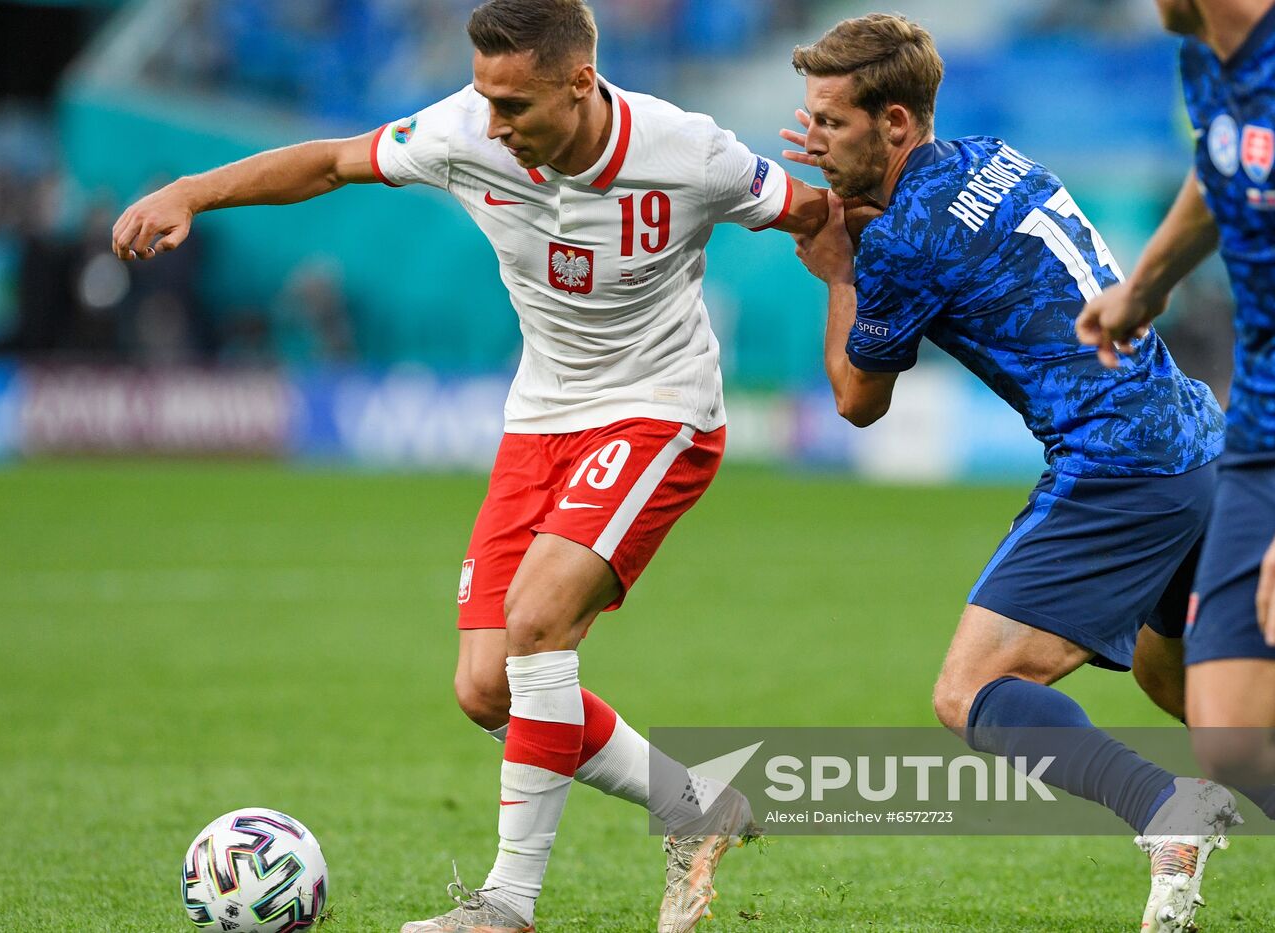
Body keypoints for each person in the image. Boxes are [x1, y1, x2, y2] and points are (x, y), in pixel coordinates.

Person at [112, 2, 828, 930]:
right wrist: (192, 191)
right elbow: (331, 161)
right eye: (484, 97)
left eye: (514, 104)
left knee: (537, 624)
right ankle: (696, 810)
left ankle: (504, 907)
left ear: (580, 83)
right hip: (538, 421)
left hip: (661, 413)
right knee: (486, 686)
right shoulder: (462, 129)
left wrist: (859, 339)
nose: (492, 122)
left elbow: (814, 213)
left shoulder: (690, 151)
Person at [782, 14, 1239, 932]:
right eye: (812, 120)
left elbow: (855, 400)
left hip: (1118, 462)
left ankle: (1165, 814)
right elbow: (954, 236)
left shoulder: (901, 246)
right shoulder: (991, 155)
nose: (813, 144)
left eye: (831, 123)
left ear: (898, 122)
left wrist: (838, 268)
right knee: (1184, 684)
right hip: (1194, 435)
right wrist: (870, 215)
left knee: (968, 692)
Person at [1077, 0, 1275, 841]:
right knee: (1234, 725)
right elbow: (1223, 168)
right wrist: (1147, 285)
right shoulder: (1209, 58)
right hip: (1269, 420)